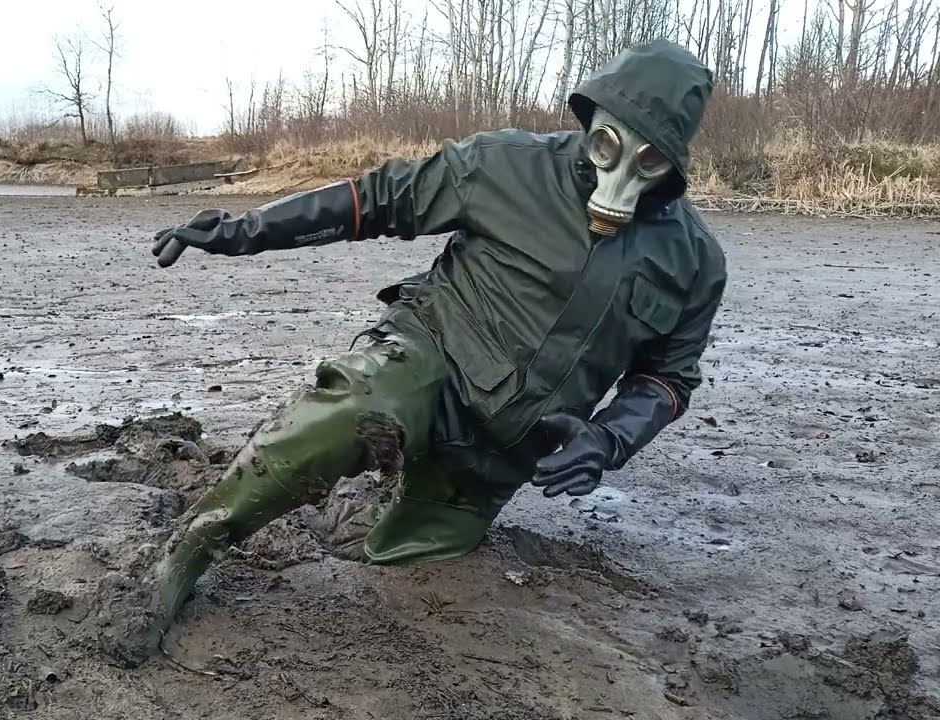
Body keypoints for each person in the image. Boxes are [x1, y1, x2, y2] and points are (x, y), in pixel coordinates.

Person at [114, 38, 725, 665]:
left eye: (649, 159)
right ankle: (188, 550)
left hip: (503, 449)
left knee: (400, 554)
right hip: (430, 358)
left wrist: (609, 438)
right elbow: (378, 199)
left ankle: (378, 506)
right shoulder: (505, 164)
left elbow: (667, 379)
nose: (622, 172)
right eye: (610, 144)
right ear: (592, 122)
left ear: (671, 162)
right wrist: (245, 231)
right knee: (350, 412)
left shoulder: (695, 261)